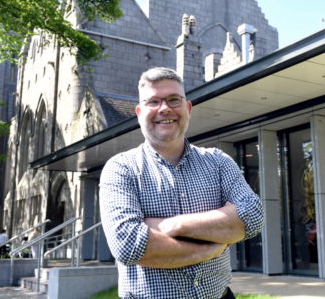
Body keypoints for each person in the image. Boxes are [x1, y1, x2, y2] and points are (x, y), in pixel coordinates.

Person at [99, 67, 264, 299]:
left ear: (187, 108)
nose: (164, 108)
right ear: (139, 112)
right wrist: (211, 247)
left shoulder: (218, 161)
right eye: (153, 101)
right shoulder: (121, 168)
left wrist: (169, 226)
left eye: (174, 99)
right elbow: (127, 245)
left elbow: (253, 217)